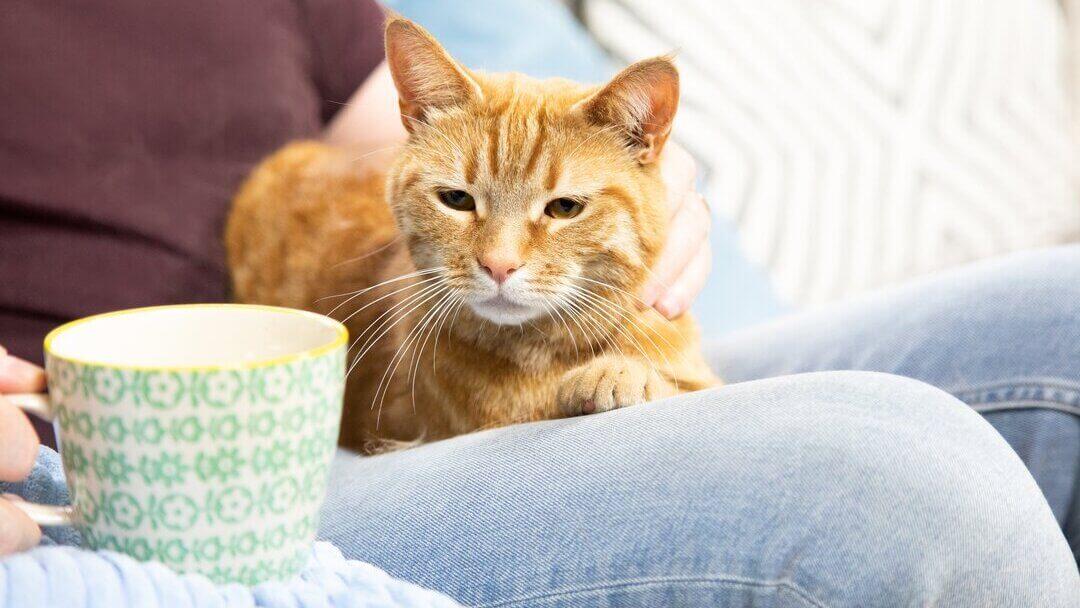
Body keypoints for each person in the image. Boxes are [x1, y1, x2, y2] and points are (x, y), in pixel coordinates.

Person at [1, 1, 1076, 606]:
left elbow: (416, 138)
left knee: (1064, 318)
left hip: (489, 293)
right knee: (912, 490)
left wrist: (629, 173)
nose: (509, 253)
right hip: (151, 456)